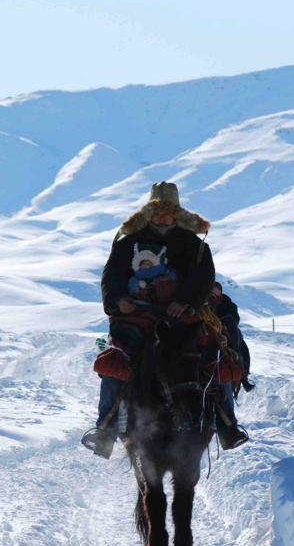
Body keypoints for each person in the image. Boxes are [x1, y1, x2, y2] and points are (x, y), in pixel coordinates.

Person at [82, 181, 248, 458]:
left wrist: (186, 302)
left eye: (168, 212)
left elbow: (203, 279)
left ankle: (226, 425)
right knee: (116, 362)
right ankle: (106, 430)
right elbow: (111, 276)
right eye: (157, 212)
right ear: (148, 213)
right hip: (135, 317)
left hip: (182, 317)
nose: (162, 218)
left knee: (214, 358)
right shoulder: (127, 244)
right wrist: (118, 300)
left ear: (177, 214)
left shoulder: (194, 245)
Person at [210, 282, 255, 393]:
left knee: (243, 349)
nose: (215, 293)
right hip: (212, 330)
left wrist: (226, 322)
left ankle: (244, 377)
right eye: (213, 291)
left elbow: (235, 319)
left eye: (217, 291)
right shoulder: (205, 304)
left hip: (228, 331)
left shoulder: (229, 304)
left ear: (221, 291)